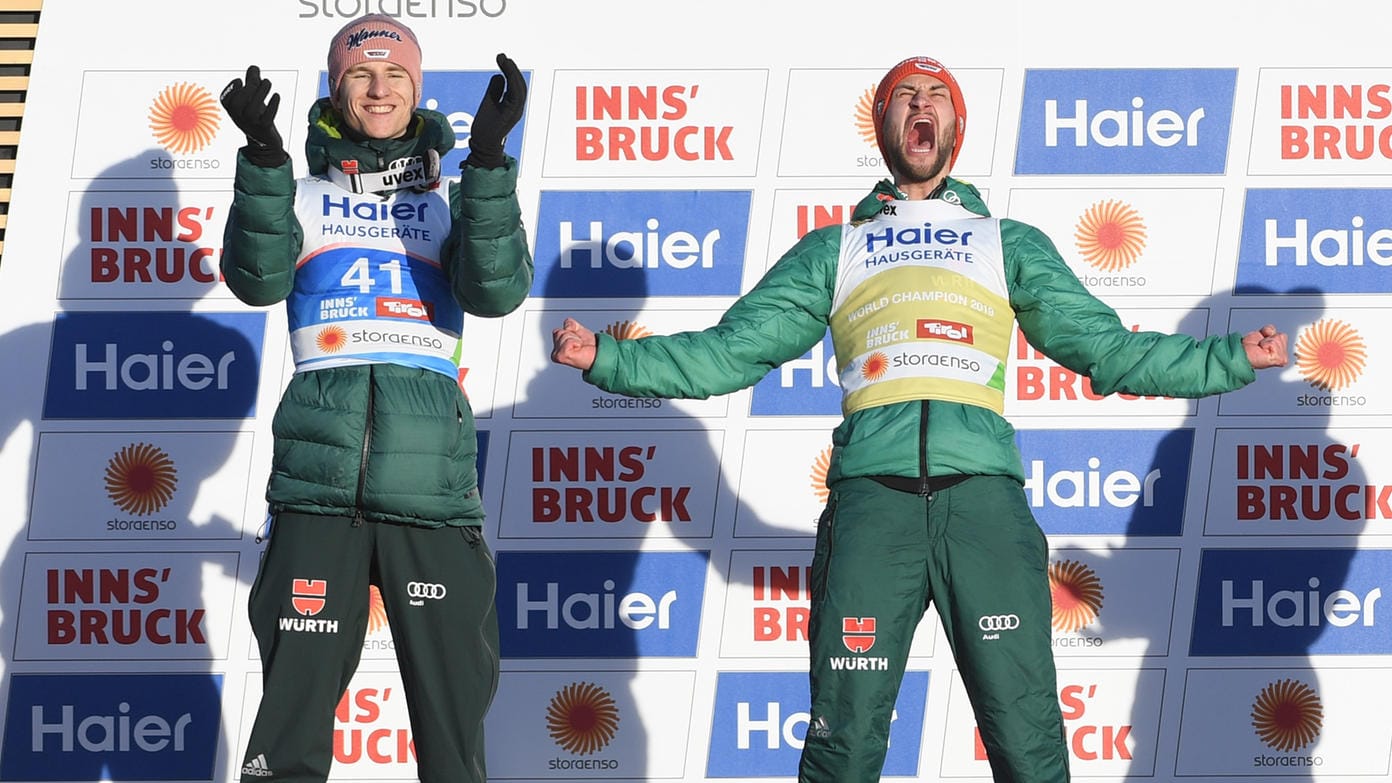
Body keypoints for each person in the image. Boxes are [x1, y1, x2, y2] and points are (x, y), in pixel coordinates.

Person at [550, 55, 1288, 783]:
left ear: (955, 126)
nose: (920, 105)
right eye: (905, 95)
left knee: (1029, 744)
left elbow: (1108, 350)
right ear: (885, 124)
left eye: (936, 95)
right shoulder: (837, 248)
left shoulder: (1008, 242)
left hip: (984, 509)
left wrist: (1231, 359)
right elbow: (727, 353)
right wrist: (610, 361)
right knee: (844, 744)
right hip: (872, 508)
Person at [218, 14, 531, 783]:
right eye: (361, 75)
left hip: (430, 494)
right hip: (316, 493)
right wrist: (262, 162)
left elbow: (496, 291)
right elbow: (256, 278)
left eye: (395, 75)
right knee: (285, 738)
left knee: (454, 737)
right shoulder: (304, 196)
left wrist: (487, 163)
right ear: (337, 88)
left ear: (417, 90)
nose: (379, 88)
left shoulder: (450, 204)